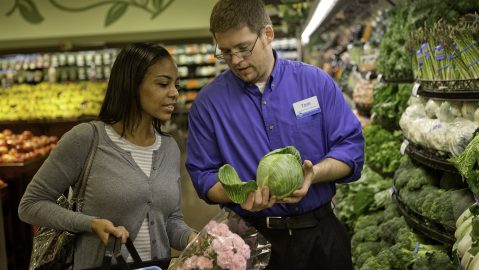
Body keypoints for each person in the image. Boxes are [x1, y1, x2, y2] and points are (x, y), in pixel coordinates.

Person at [185, 1, 364, 269]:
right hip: (251, 242)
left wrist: (313, 173)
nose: (235, 60)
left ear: (268, 34)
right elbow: (203, 175)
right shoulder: (207, 105)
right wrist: (238, 194)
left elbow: (351, 149)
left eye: (244, 48)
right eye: (225, 52)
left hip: (320, 235)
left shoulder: (316, 82)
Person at [19, 42, 196, 270]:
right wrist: (89, 223)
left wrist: (194, 239)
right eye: (163, 84)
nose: (174, 93)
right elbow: (30, 204)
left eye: (176, 85)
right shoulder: (87, 139)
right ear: (131, 85)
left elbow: (170, 220)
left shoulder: (170, 148)